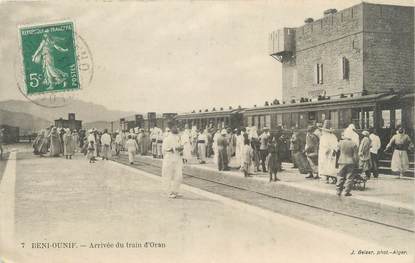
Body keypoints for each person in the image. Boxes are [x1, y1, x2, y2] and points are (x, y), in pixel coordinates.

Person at [162, 121, 184, 198]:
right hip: (169, 158)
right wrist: (175, 148)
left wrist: (181, 149)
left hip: (177, 158)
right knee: (168, 175)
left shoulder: (178, 137)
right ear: (171, 128)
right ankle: (168, 192)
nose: (177, 128)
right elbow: (165, 149)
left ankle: (176, 191)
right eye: (175, 127)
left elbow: (180, 146)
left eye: (177, 127)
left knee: (179, 176)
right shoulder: (167, 138)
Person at [336, 132, 358, 197]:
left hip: (341, 161)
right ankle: (346, 191)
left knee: (340, 176)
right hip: (350, 162)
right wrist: (356, 163)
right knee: (349, 177)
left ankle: (338, 191)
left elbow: (336, 151)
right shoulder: (354, 144)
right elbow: (356, 156)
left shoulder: (340, 143)